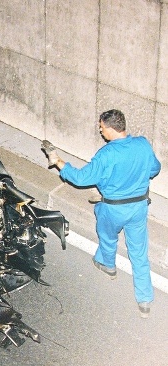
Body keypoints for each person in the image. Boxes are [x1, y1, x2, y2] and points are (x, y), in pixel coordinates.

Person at [42, 110, 161, 318]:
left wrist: (58, 161)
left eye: (101, 127)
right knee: (139, 253)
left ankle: (108, 266)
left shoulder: (106, 154)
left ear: (111, 128)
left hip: (113, 208)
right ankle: (145, 301)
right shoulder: (142, 144)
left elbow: (80, 178)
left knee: (107, 237)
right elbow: (154, 169)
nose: (100, 130)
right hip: (139, 207)